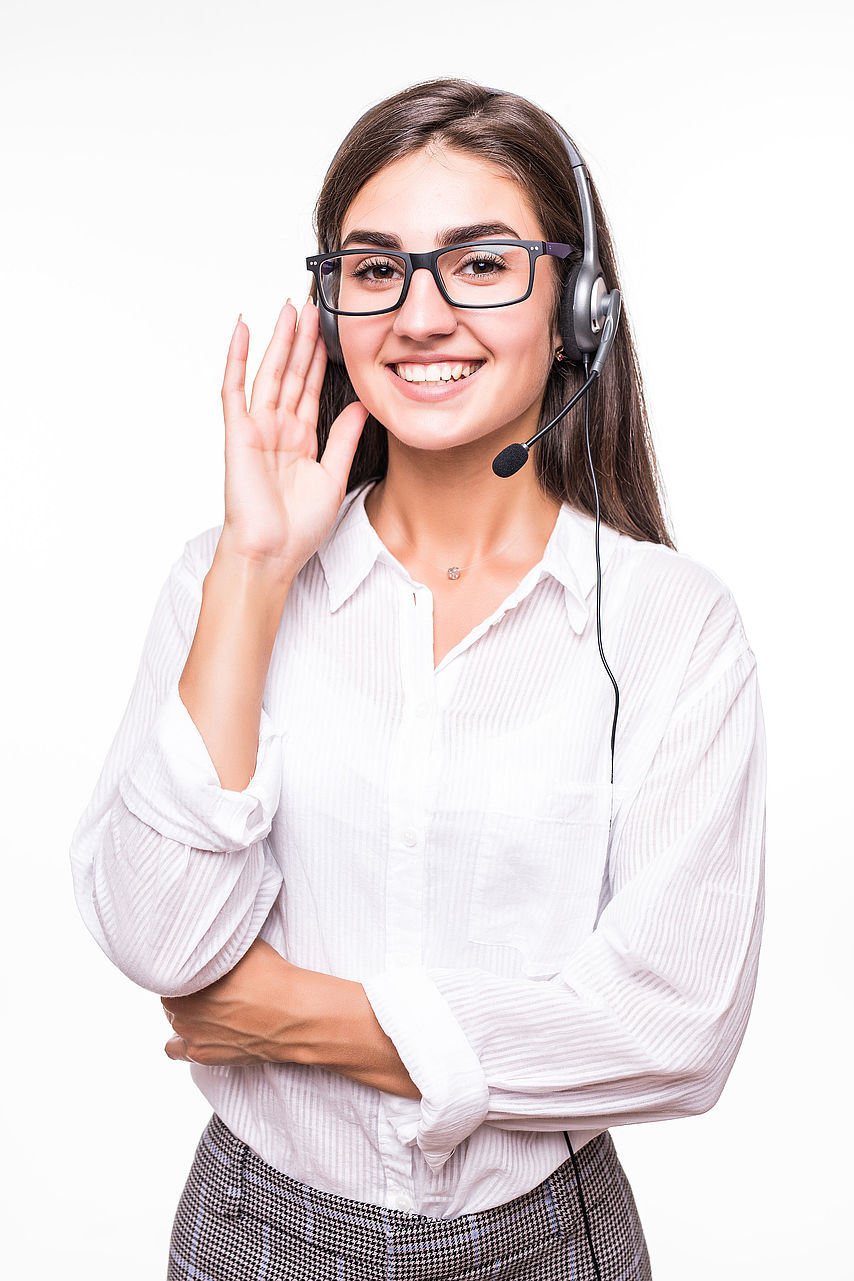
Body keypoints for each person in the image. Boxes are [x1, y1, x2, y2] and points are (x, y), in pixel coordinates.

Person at [69, 78, 766, 1280]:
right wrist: (251, 569)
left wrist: (298, 1016)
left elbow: (672, 1031)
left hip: (550, 1243)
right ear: (333, 305)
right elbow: (162, 942)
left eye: (481, 264)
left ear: (574, 312)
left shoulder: (670, 629)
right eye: (376, 269)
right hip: (255, 1232)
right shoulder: (223, 578)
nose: (420, 315)